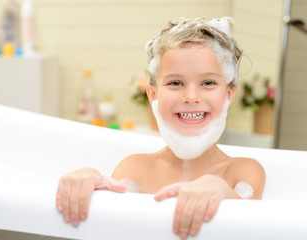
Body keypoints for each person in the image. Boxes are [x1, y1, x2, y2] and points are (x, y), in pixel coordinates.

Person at [56, 17, 265, 240]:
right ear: (153, 94)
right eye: (175, 83)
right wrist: (90, 181)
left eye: (208, 83)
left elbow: (247, 229)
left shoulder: (242, 172)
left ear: (229, 94)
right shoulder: (135, 169)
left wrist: (221, 190)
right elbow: (113, 226)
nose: (191, 97)